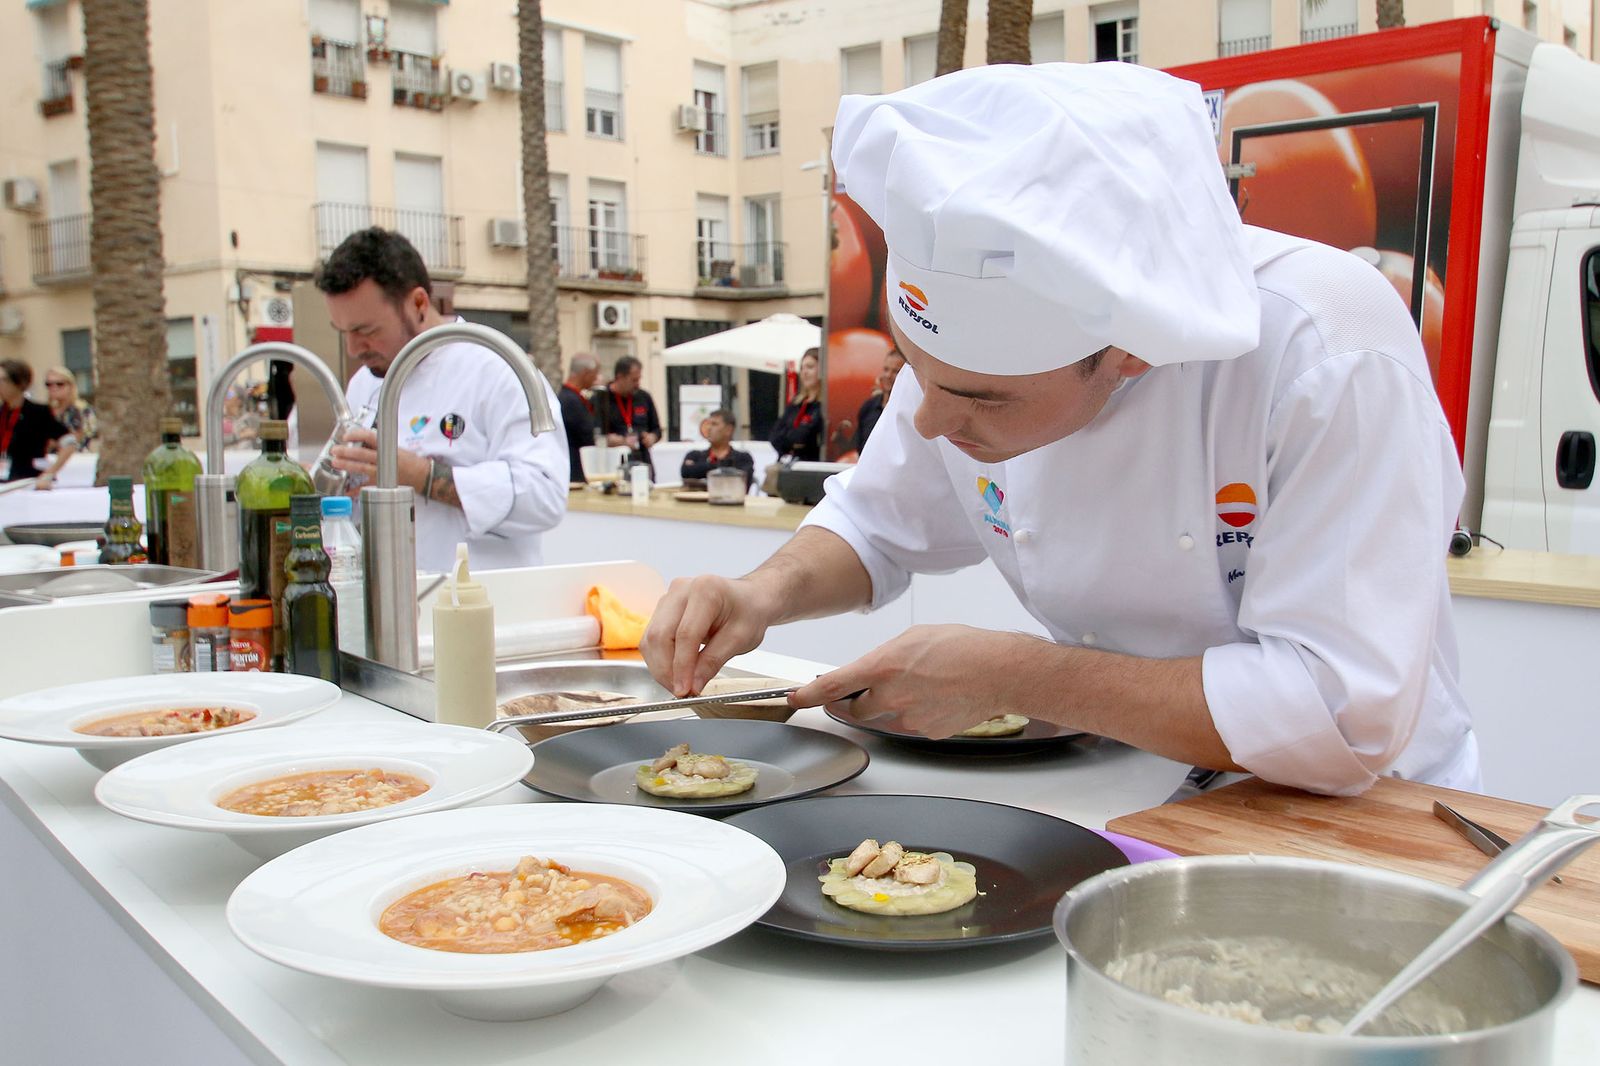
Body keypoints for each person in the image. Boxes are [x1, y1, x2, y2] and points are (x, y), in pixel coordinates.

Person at [640, 62, 1479, 797]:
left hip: (1361, 815)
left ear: (1130, 356)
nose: (929, 419)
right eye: (915, 373)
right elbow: (876, 523)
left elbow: (1338, 713)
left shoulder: (1327, 349)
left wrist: (1016, 675)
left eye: (983, 399)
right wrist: (761, 594)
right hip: (1135, 779)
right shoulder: (956, 375)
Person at [317, 227, 568, 573]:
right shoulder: (365, 384)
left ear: (419, 303)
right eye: (343, 332)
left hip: (485, 603)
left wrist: (419, 474)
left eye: (367, 331)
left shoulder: (496, 368)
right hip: (390, 601)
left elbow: (545, 496)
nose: (353, 349)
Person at [0, 359, 78, 490]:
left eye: (3, 380)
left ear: (18, 383)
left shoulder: (37, 412)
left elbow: (69, 443)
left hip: (29, 483)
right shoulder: (2, 413)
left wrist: (49, 473)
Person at [594, 355, 662, 474]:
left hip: (642, 460)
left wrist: (652, 437)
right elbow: (595, 433)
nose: (637, 384)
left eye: (639, 379)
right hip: (615, 462)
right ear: (620, 377)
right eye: (634, 380)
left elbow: (657, 429)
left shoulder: (644, 397)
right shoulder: (602, 399)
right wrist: (611, 440)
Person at [769, 348, 823, 461]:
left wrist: (792, 439)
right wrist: (794, 442)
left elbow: (804, 436)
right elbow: (774, 437)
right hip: (787, 464)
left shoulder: (822, 406)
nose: (804, 372)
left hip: (810, 464)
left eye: (810, 367)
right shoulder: (796, 403)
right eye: (802, 368)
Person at [680, 408, 755, 490]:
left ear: (728, 430)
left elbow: (741, 483)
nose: (708, 428)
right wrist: (722, 468)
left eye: (714, 424)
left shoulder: (742, 458)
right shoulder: (695, 455)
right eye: (708, 424)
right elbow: (686, 473)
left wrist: (703, 470)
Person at [853, 347, 906, 453]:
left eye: (895, 371)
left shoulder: (908, 411)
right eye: (886, 369)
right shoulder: (868, 408)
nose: (888, 375)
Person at [559, 353, 600, 484]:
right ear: (585, 373)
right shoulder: (571, 401)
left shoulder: (566, 396)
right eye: (595, 374)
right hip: (573, 466)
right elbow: (587, 435)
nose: (596, 378)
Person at [42, 368, 95, 450]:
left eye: (60, 384)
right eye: (49, 384)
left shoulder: (82, 410)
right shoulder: (46, 411)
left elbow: (77, 438)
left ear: (70, 386)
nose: (53, 387)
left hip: (76, 459)